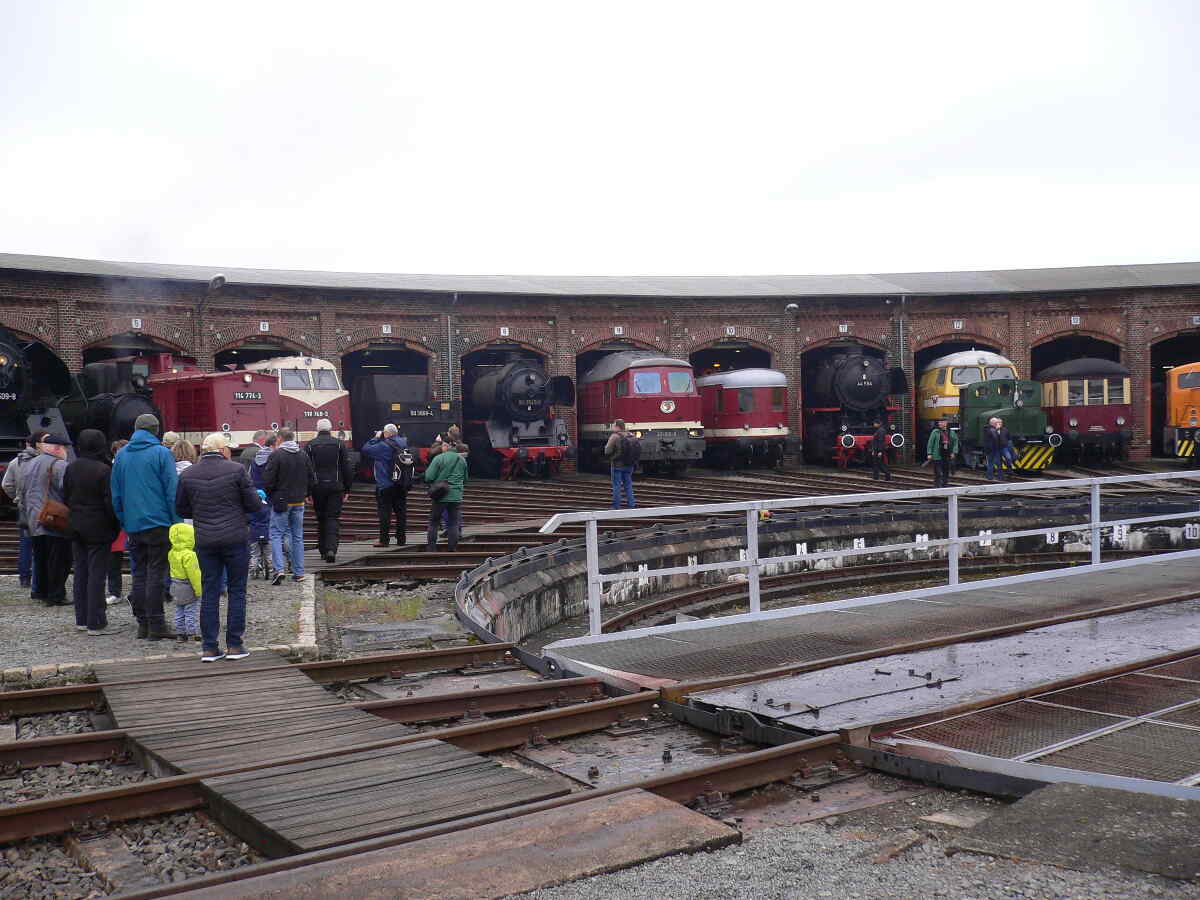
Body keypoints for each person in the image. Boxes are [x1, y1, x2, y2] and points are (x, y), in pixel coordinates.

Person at [176, 432, 264, 662]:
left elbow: (181, 509)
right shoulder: (237, 470)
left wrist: (202, 512)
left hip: (205, 540)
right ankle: (234, 645)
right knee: (237, 590)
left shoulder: (188, 474)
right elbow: (255, 505)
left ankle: (209, 648)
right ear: (223, 450)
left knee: (209, 591)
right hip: (235, 538)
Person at [111, 413, 179, 640]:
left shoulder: (121, 455)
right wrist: (176, 522)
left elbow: (116, 494)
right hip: (159, 522)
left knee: (139, 573)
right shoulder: (162, 453)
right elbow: (172, 491)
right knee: (156, 573)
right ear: (156, 430)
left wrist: (124, 519)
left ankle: (143, 624)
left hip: (133, 524)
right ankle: (157, 625)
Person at [63, 429, 119, 634]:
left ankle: (82, 619)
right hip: (99, 526)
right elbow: (110, 502)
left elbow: (65, 495)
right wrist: (115, 524)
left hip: (76, 524)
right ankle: (96, 621)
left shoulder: (71, 467)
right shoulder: (104, 470)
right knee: (97, 574)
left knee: (80, 572)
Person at [20, 432, 73, 607]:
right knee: (59, 558)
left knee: (40, 557)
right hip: (53, 518)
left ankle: (40, 591)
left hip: (34, 518)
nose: (66, 451)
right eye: (64, 447)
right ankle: (56, 594)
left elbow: (21, 490)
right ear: (57, 448)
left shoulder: (30, 463)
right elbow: (67, 490)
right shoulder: (60, 465)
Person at [263, 427, 315, 585]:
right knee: (297, 537)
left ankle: (279, 570)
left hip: (281, 501)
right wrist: (306, 494)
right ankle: (299, 572)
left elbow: (268, 480)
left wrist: (271, 496)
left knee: (276, 535)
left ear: (279, 438)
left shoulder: (276, 455)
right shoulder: (303, 454)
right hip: (299, 501)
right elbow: (311, 478)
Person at [305, 418, 354, 563]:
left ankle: (322, 550)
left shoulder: (310, 445)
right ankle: (331, 549)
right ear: (331, 429)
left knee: (321, 518)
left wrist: (307, 492)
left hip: (317, 487)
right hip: (335, 486)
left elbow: (306, 470)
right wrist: (347, 489)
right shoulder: (339, 444)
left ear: (317, 429)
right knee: (332, 518)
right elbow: (347, 468)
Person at [362, 424, 408, 548]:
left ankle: (384, 540)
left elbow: (366, 449)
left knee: (385, 513)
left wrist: (376, 437)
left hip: (386, 484)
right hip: (401, 483)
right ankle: (401, 539)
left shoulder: (383, 445)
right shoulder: (403, 443)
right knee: (401, 513)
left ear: (386, 433)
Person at [3, 438, 39, 590]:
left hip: (24, 507)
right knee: (42, 544)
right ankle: (39, 580)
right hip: (41, 507)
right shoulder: (42, 462)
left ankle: (24, 578)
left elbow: (6, 484)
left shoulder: (15, 462)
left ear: (26, 444)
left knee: (25, 543)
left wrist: (17, 498)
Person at [424, 440, 467, 552]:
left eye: (443, 445)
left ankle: (432, 548)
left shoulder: (438, 458)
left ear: (446, 446)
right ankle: (452, 548)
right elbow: (465, 479)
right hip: (456, 496)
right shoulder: (462, 460)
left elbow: (428, 477)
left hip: (441, 494)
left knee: (434, 522)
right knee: (453, 523)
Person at [167, 522, 202, 643]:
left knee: (179, 611)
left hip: (175, 585)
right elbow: (194, 575)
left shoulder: (171, 553)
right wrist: (199, 590)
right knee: (190, 611)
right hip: (188, 586)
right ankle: (192, 633)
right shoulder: (190, 555)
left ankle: (180, 634)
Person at [106, 439, 129, 606]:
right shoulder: (111, 469)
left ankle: (117, 591)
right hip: (118, 518)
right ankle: (115, 590)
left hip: (125, 516)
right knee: (114, 557)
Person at [604, 419, 637, 509]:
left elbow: (607, 451)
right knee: (628, 485)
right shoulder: (631, 435)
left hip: (617, 466)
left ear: (617, 426)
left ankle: (616, 506)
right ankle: (631, 505)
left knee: (617, 486)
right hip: (629, 465)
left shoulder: (615, 436)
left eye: (614, 425)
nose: (613, 427)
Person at [926, 419, 959, 488]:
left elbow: (955, 442)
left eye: (941, 422)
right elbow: (930, 443)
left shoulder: (951, 432)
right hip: (937, 455)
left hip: (947, 455)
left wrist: (954, 452)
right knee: (938, 473)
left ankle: (944, 485)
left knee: (946, 472)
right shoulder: (935, 432)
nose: (940, 424)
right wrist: (929, 453)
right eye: (939, 422)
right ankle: (937, 486)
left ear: (946, 423)